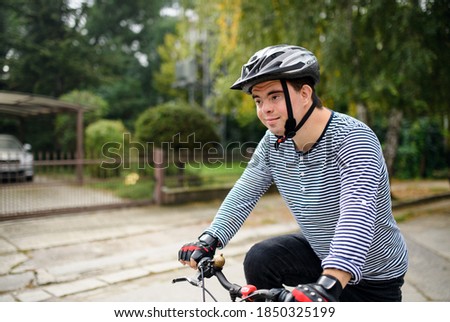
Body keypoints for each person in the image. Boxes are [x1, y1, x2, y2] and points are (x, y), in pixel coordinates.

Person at [178, 44, 408, 302]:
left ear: (305, 93)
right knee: (262, 258)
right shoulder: (274, 142)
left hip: (373, 275)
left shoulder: (353, 139)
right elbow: (244, 192)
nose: (264, 109)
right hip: (322, 256)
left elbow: (357, 213)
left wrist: (329, 283)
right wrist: (210, 239)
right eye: (258, 100)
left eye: (274, 97)